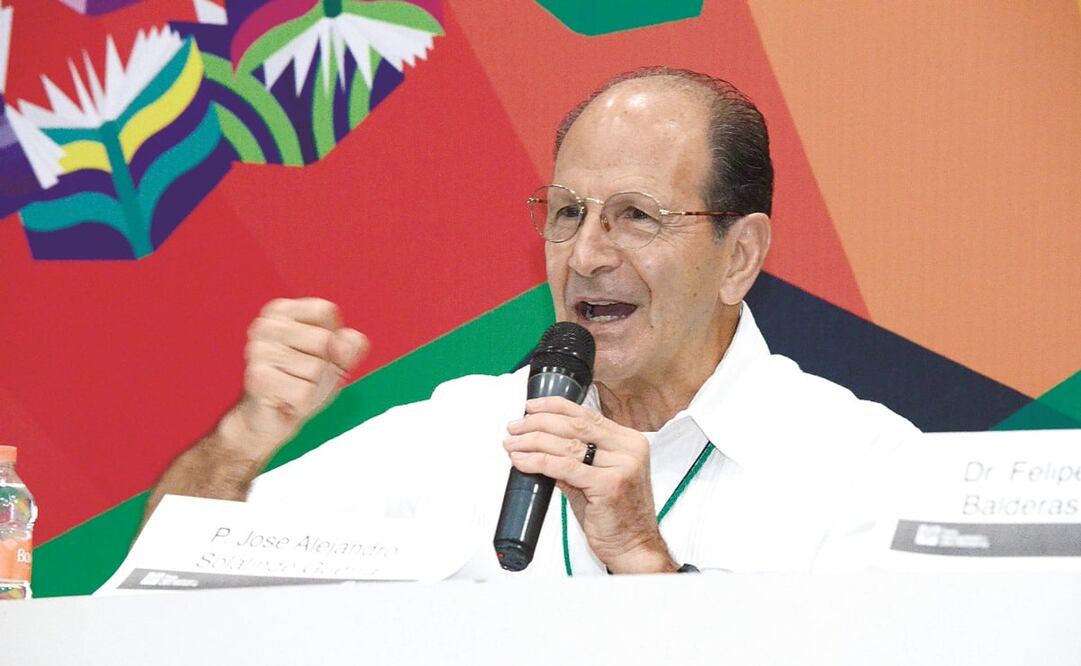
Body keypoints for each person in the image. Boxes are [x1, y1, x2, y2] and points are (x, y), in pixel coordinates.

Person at [147, 67, 917, 578]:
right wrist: (244, 438)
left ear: (738, 256)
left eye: (635, 217)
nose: (584, 254)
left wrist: (643, 560)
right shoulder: (459, 431)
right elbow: (173, 575)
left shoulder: (863, 468)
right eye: (566, 212)